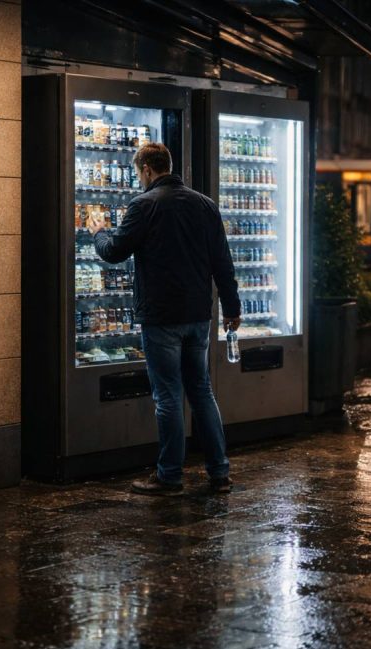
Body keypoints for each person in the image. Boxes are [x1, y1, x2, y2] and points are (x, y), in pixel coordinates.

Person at [88, 142, 241, 495]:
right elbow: (223, 263)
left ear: (146, 170)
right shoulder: (205, 205)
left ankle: (170, 476)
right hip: (198, 316)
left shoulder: (144, 205)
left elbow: (113, 252)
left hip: (161, 317)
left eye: (138, 173)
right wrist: (232, 309)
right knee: (202, 392)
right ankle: (219, 472)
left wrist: (98, 231)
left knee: (168, 396)